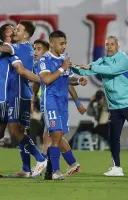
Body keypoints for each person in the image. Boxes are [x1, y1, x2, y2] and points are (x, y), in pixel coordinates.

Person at [72, 35, 128, 176]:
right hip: (114, 106)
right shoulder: (102, 61)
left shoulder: (123, 59)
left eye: (112, 44)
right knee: (113, 137)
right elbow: (86, 70)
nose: (109, 47)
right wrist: (71, 67)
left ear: (117, 46)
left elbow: (110, 70)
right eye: (107, 44)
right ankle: (117, 167)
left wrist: (91, 66)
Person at [33, 39, 87, 179]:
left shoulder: (65, 59)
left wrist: (79, 81)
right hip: (50, 102)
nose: (64, 46)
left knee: (57, 136)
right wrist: (62, 67)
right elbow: (46, 79)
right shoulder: (44, 60)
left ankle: (62, 167)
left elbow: (68, 80)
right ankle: (54, 171)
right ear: (52, 44)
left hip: (62, 104)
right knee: (54, 136)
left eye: (65, 43)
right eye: (61, 43)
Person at [0, 21, 47, 178]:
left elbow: (4, 49)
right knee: (19, 131)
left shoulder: (21, 48)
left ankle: (40, 159)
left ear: (25, 35)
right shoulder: (25, 50)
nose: (15, 32)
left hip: (19, 94)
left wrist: (40, 82)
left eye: (18, 30)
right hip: (16, 94)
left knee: (15, 131)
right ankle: (26, 169)